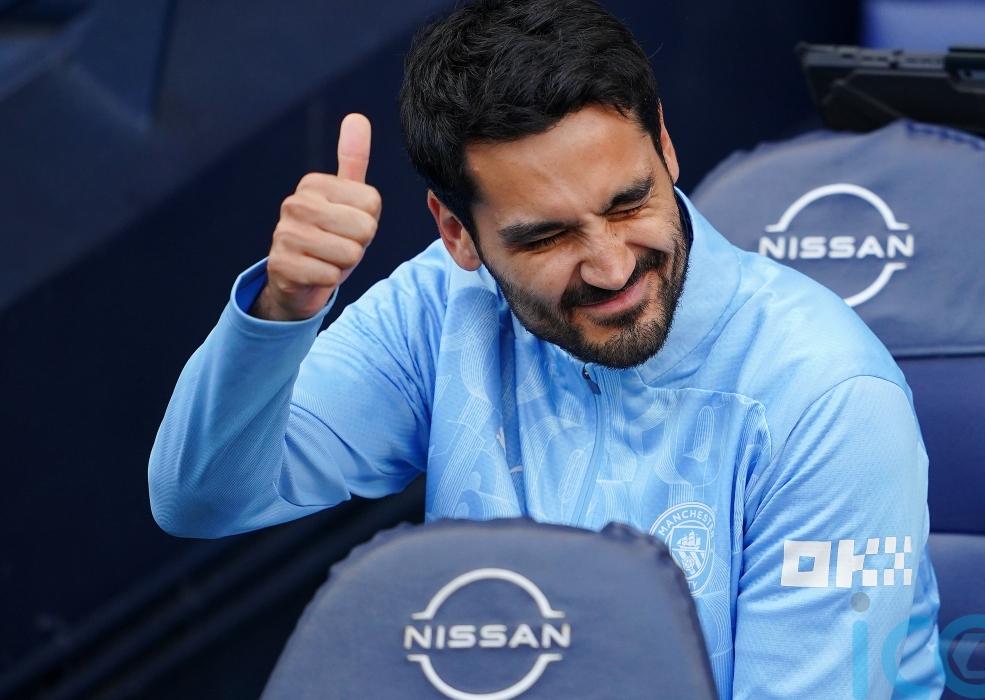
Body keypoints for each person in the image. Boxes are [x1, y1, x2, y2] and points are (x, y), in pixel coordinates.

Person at [148, 1, 944, 697]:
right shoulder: (441, 303)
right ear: (457, 233)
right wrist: (281, 312)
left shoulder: (831, 398)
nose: (612, 267)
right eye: (547, 237)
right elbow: (204, 499)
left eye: (629, 204)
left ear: (665, 146)